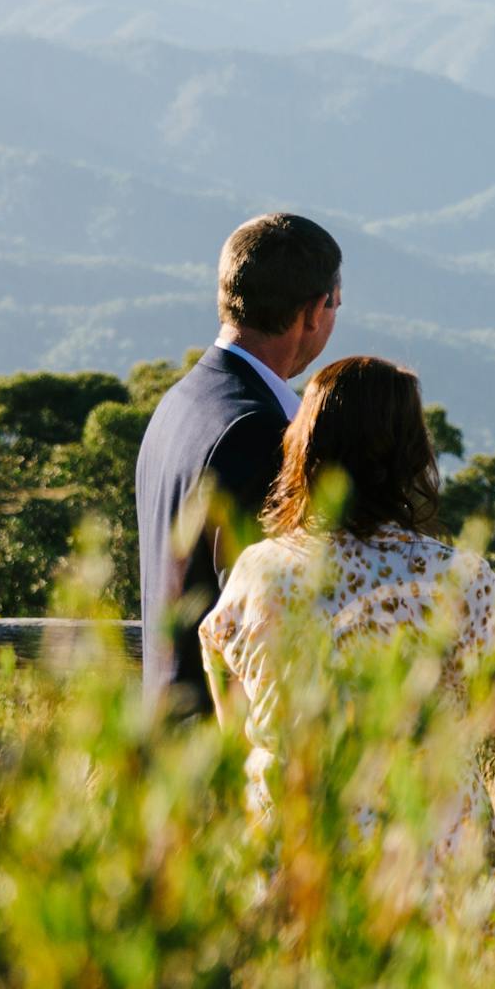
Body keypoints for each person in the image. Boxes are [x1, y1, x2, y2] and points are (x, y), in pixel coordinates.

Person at [198, 356, 495, 863]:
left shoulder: (257, 573)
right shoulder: (456, 580)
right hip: (428, 857)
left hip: (297, 851)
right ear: (410, 455)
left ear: (305, 446)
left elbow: (236, 721)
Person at [137, 213, 341, 718]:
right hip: (223, 747)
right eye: (336, 304)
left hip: (167, 730)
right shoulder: (258, 433)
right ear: (314, 311)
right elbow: (264, 617)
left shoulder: (180, 402)